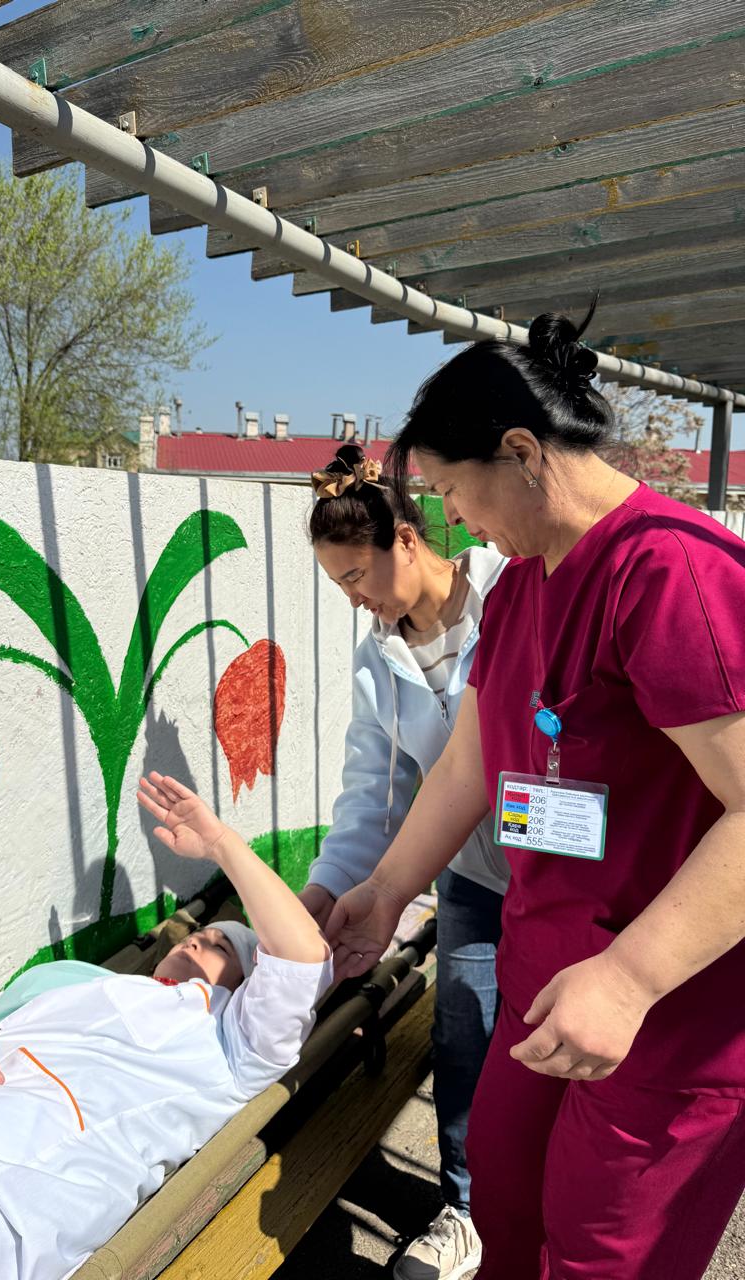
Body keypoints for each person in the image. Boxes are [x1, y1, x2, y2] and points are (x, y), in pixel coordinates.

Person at [327, 311, 745, 1280]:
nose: (455, 521)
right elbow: (467, 768)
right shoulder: (519, 588)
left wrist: (631, 976)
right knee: (507, 1207)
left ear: (520, 453)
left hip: (664, 1015)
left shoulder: (674, 572)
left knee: (605, 1254)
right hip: (545, 980)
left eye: (451, 490)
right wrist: (385, 891)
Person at [0, 773, 331, 1280]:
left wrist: (219, 845)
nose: (197, 940)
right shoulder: (71, 982)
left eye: (220, 947)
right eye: (198, 934)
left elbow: (301, 956)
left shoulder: (231, 1049)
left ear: (246, 989)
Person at [301, 442, 509, 1280]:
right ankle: (466, 1209)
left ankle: (543, 1203)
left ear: (409, 540)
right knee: (467, 1036)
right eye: (340, 585)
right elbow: (373, 797)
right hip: (471, 878)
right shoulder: (376, 660)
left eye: (357, 575)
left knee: (553, 1039)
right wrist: (324, 891)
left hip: (565, 875)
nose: (355, 600)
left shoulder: (509, 596)